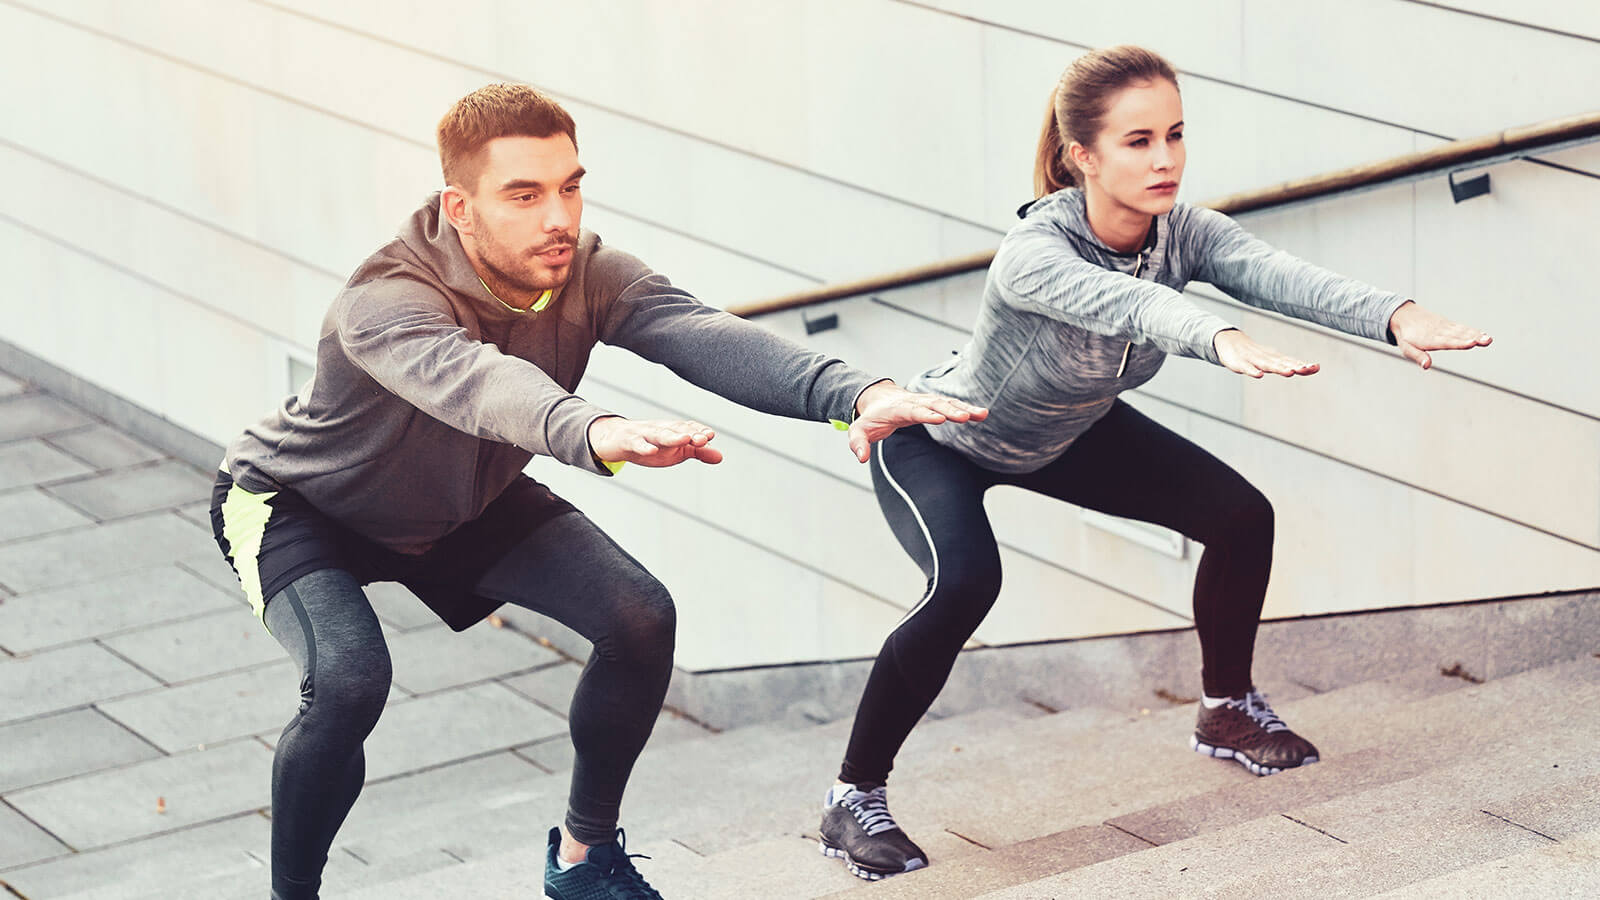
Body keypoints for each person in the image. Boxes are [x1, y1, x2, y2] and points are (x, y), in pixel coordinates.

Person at [209, 83, 985, 900]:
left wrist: (857, 393)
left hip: (456, 504)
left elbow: (698, 332)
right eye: (524, 194)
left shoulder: (586, 274)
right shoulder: (384, 301)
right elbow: (477, 383)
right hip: (301, 504)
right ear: (460, 208)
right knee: (348, 679)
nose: (559, 217)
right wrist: (589, 428)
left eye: (570, 186)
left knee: (638, 616)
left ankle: (583, 862)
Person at [816, 45, 1493, 881]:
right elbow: (1128, 302)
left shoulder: (1186, 232)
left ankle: (1226, 712)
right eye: (1138, 141)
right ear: (1083, 156)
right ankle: (853, 797)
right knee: (964, 584)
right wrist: (1219, 336)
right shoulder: (1034, 250)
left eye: (1174, 134)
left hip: (1071, 431)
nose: (1165, 158)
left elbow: (1279, 275)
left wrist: (1397, 315)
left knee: (1241, 517)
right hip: (946, 436)